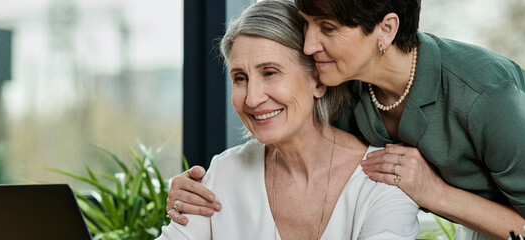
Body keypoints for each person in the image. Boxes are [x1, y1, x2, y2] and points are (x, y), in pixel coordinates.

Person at [168, 0, 525, 239]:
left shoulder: (486, 94)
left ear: (385, 29)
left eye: (328, 28)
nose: (308, 45)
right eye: (306, 24)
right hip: (485, 211)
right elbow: (293, 129)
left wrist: (434, 193)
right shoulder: (344, 84)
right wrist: (190, 190)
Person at [156, 0, 419, 239]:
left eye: (270, 73)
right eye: (240, 78)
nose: (252, 99)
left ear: (318, 81)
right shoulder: (223, 174)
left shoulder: (383, 180)